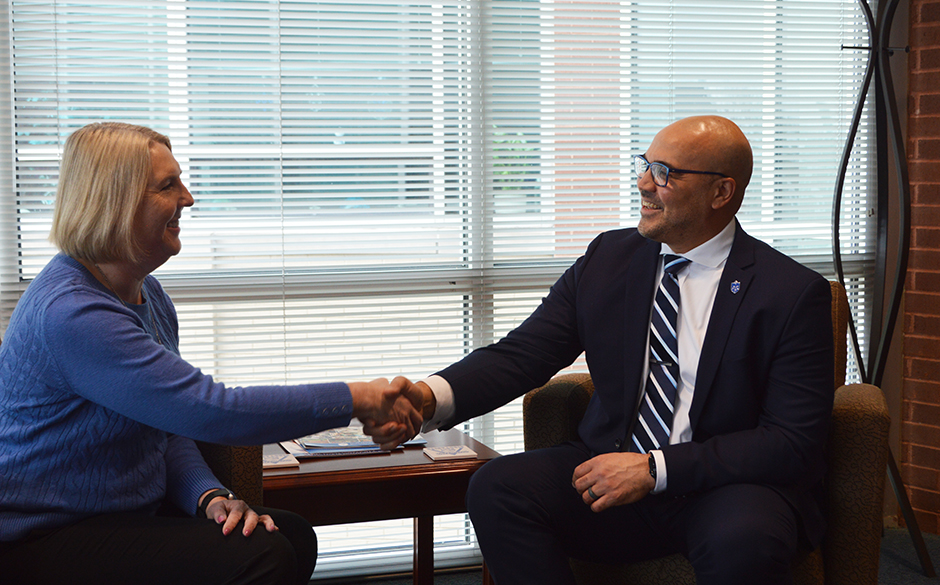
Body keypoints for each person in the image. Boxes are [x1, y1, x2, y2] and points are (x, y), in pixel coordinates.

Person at [407, 115, 834, 584]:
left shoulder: (790, 292)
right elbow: (523, 354)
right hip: (609, 467)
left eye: (665, 172)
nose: (644, 183)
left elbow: (792, 442)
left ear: (721, 192)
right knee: (497, 487)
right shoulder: (608, 259)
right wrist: (426, 398)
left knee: (746, 540)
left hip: (724, 486)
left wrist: (655, 469)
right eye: (646, 164)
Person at [0, 122, 423, 585]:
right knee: (262, 556)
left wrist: (207, 496)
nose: (188, 198)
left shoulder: (148, 294)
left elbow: (170, 424)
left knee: (294, 536)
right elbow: (214, 411)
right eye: (168, 186)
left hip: (123, 515)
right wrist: (357, 397)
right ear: (116, 203)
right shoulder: (73, 313)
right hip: (43, 539)